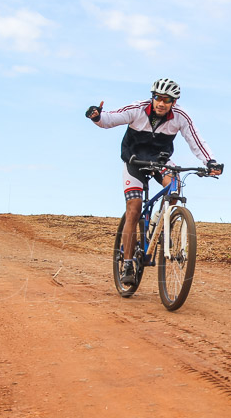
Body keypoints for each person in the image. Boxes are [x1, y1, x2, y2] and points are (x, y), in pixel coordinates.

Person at [86, 78, 223, 284]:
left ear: (173, 102)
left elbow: (196, 140)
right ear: (153, 97)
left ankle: (160, 220)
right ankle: (128, 263)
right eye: (158, 98)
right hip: (134, 161)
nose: (161, 103)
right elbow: (111, 119)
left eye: (167, 99)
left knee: (175, 186)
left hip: (161, 161)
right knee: (134, 207)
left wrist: (210, 161)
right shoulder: (137, 109)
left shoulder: (180, 117)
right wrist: (97, 116)